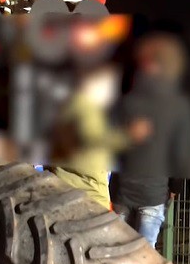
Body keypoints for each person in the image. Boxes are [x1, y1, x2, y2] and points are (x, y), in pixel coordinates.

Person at [111, 35, 190, 248]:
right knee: (143, 256)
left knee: (116, 254)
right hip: (154, 192)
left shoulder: (128, 102)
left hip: (123, 189)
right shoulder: (180, 107)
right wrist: (174, 188)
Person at [47, 63, 151, 209]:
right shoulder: (85, 107)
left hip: (70, 187)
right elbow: (91, 136)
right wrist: (128, 136)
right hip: (87, 191)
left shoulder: (68, 106)